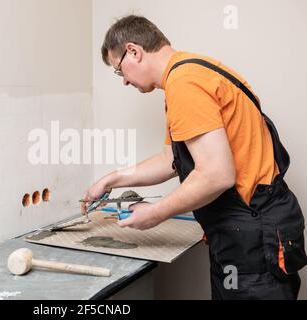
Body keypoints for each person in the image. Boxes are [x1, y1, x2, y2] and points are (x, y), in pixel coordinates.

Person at [82, 15, 307, 300]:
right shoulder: (193, 72)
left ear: (134, 51)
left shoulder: (185, 84)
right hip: (250, 232)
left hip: (252, 240)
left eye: (119, 70)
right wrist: (112, 179)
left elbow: (217, 174)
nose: (124, 81)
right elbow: (171, 160)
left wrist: (156, 212)